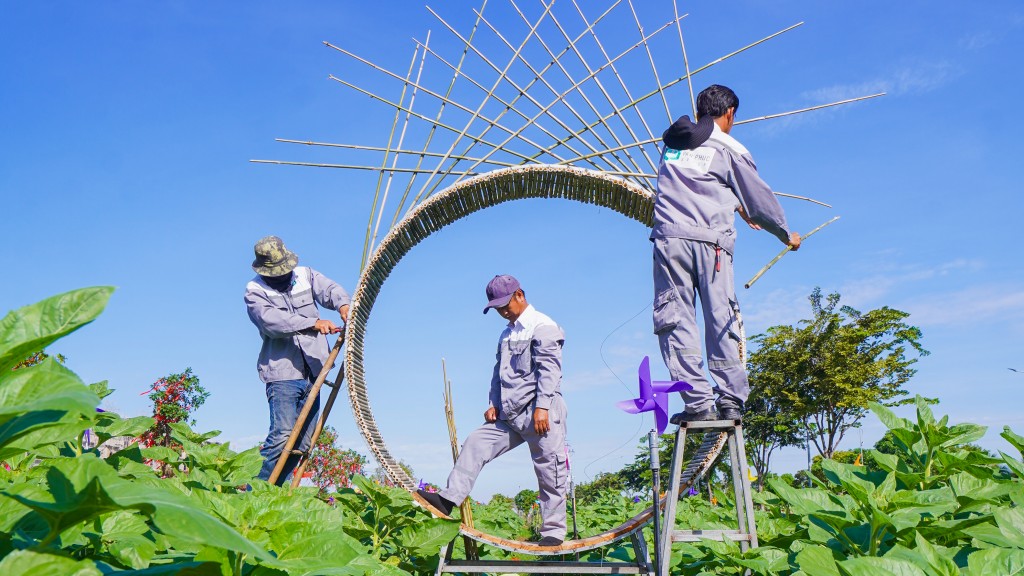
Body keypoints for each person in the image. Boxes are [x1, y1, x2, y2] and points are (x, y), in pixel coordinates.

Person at [651, 84, 801, 422]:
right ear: (729, 113)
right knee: (721, 317)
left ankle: (696, 403)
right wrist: (785, 235)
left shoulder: (672, 144)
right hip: (712, 245)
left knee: (675, 320)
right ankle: (730, 398)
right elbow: (760, 201)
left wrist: (734, 202)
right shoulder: (730, 147)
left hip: (669, 239)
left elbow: (692, 184)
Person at [417, 275, 569, 546]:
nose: (503, 312)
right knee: (476, 442)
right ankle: (448, 499)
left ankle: (553, 533)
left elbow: (550, 371)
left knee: (550, 469)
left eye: (505, 305)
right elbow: (498, 373)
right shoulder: (507, 333)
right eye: (497, 308)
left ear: (520, 295)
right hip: (510, 415)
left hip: (540, 413)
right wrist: (493, 404)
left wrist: (543, 407)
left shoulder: (543, 326)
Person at [244, 235, 351, 485]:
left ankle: (276, 491)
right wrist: (313, 323)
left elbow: (331, 290)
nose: (282, 275)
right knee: (282, 437)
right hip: (283, 373)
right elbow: (272, 322)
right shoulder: (254, 291)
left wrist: (343, 305)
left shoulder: (305, 275)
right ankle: (254, 494)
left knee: (303, 442)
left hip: (314, 370)